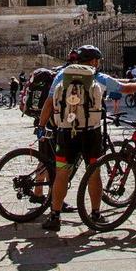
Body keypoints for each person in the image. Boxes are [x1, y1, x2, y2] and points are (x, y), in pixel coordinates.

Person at [40, 45, 117, 232]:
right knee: (94, 173)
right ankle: (96, 214)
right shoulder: (97, 76)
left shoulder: (61, 76)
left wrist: (41, 126)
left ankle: (54, 215)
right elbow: (123, 88)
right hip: (91, 132)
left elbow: (49, 102)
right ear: (94, 61)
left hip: (66, 132)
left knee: (61, 174)